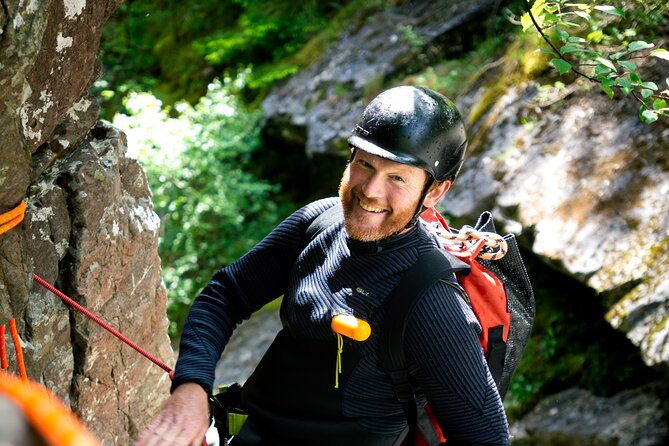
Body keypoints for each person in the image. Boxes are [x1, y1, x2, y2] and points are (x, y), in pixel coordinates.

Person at [135, 86, 510, 446]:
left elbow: (485, 437)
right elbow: (226, 295)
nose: (371, 190)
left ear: (434, 192)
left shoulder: (431, 304)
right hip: (245, 431)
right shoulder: (318, 223)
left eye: (397, 177)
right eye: (365, 164)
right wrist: (191, 388)